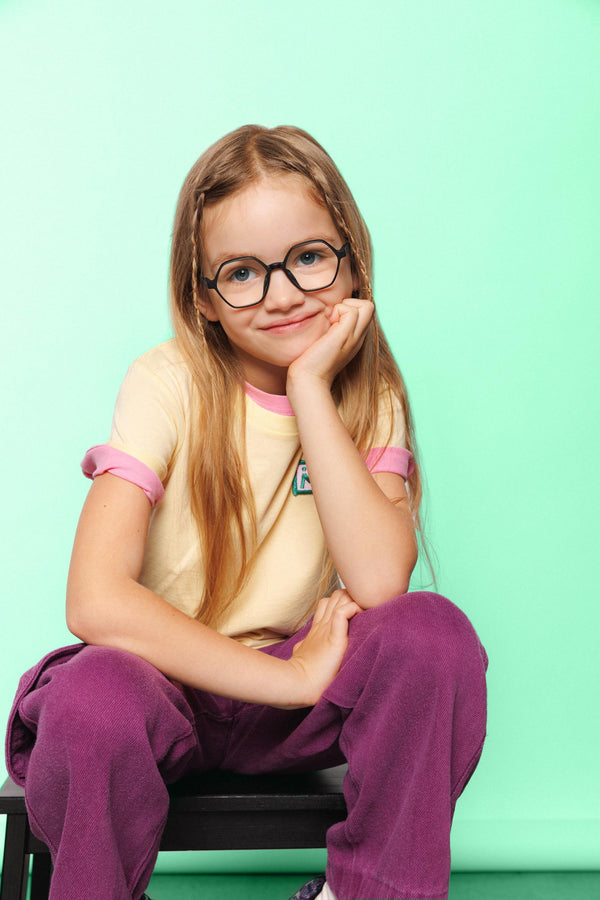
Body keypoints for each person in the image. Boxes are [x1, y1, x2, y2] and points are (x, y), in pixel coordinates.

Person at [5, 125, 488, 900]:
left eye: (308, 258)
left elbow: (377, 581)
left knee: (433, 633)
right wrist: (290, 678)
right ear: (203, 296)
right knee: (92, 697)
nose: (282, 294)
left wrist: (311, 390)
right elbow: (93, 599)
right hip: (165, 687)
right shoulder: (167, 382)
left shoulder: (370, 396)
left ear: (351, 258)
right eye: (241, 273)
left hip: (292, 706)